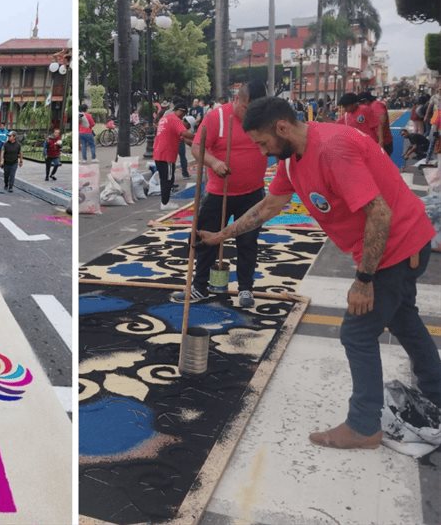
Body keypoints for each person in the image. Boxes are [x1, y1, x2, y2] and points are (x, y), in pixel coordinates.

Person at [200, 96, 440, 449]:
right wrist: (222, 235)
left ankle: (363, 425)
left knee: (357, 334)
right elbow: (270, 206)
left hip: (398, 247)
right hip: (402, 243)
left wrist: (363, 280)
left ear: (281, 128)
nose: (264, 152)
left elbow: (379, 213)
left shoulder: (332, 149)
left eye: (264, 143)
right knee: (403, 318)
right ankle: (435, 389)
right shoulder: (292, 157)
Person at [171, 81, 268, 308]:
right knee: (206, 239)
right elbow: (197, 147)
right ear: (237, 100)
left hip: (252, 192)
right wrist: (214, 163)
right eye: (246, 108)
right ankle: (199, 287)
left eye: (255, 110)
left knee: (248, 241)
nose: (250, 114)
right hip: (219, 193)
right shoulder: (217, 118)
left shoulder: (264, 119)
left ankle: (245, 288)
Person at [152, 100, 193, 211]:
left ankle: (164, 201)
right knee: (168, 179)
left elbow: (183, 138)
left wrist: (193, 144)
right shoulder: (175, 119)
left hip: (158, 153)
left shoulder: (165, 119)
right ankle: (165, 203)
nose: (183, 118)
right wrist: (199, 137)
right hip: (167, 155)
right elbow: (184, 133)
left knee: (164, 178)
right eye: (184, 115)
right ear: (181, 111)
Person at [359, 91, 392, 155]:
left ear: (365, 101)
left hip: (383, 142)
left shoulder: (375, 105)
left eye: (360, 103)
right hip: (380, 141)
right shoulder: (371, 106)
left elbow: (382, 119)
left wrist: (380, 140)